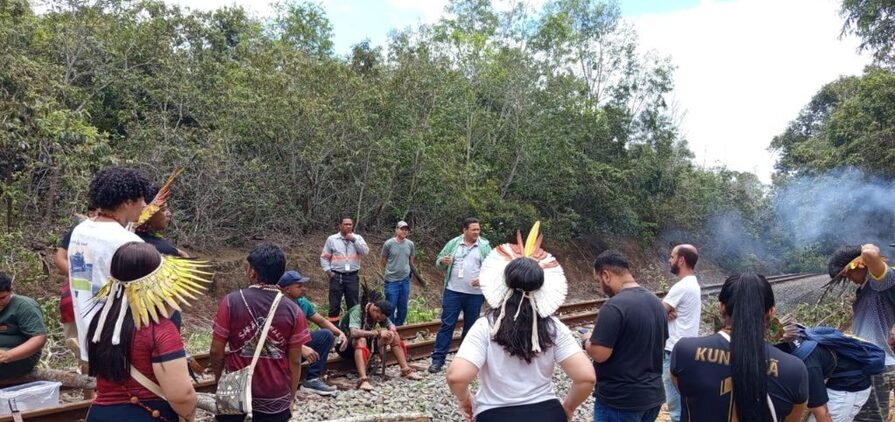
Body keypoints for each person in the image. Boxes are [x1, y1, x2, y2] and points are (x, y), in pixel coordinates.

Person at [447, 223, 595, 422]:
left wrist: (466, 400)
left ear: (503, 283)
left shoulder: (486, 325)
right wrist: (568, 407)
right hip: (548, 414)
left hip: (495, 414)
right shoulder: (553, 326)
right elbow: (586, 377)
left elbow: (457, 377)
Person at [85, 242, 205, 421]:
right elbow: (182, 396)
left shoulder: (102, 321)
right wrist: (189, 415)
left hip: (100, 415)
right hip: (146, 414)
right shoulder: (159, 330)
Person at [671, 273, 808, 422]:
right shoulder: (795, 370)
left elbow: (684, 391)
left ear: (721, 307)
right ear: (771, 312)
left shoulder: (685, 351)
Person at [210, 243, 311, 422]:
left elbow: (216, 352)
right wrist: (291, 397)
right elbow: (295, 361)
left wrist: (220, 383)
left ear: (252, 272)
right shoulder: (293, 311)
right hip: (276, 398)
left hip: (235, 394)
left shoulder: (231, 302)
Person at [68, 167, 148, 363]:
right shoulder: (128, 242)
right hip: (120, 341)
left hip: (90, 335)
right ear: (127, 202)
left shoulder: (80, 231)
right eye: (142, 199)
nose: (145, 205)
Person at [586, 250, 667, 422]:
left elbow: (600, 354)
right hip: (652, 396)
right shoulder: (656, 303)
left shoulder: (613, 306)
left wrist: (587, 340)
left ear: (606, 275)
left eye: (598, 280)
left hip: (620, 402)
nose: (600, 286)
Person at [827, 243, 895, 421]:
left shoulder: (881, 282)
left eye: (848, 273)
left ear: (858, 265)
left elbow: (870, 252)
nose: (849, 278)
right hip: (867, 362)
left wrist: (860, 253)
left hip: (876, 365)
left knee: (871, 418)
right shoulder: (865, 289)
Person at [429, 217, 492, 373]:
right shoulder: (453, 243)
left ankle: (465, 361)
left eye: (478, 229)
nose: (477, 232)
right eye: (473, 229)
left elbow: (493, 268)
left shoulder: (484, 246)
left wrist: (483, 278)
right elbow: (438, 261)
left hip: (475, 294)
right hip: (453, 291)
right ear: (464, 230)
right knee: (447, 325)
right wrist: (442, 262)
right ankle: (437, 360)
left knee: (470, 328)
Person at [775, 330, 875, 422]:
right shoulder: (790, 339)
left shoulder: (807, 364)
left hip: (850, 386)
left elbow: (823, 414)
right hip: (833, 374)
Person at [278, 269, 348, 396]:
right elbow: (274, 335)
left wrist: (340, 333)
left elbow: (321, 320)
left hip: (297, 348)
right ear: (287, 289)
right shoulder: (276, 306)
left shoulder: (302, 303)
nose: (303, 289)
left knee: (326, 335)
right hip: (280, 351)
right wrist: (300, 347)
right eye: (299, 286)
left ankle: (312, 380)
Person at [336, 287, 422, 391]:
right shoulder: (357, 311)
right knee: (361, 340)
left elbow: (391, 325)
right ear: (375, 310)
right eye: (378, 318)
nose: (379, 321)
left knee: (394, 337)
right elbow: (354, 332)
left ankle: (405, 370)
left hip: (365, 343)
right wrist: (377, 333)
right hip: (345, 345)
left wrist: (391, 331)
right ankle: (363, 380)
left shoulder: (378, 313)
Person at [661, 244, 701, 422]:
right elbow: (664, 311)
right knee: (682, 402)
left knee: (675, 407)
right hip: (685, 348)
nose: (670, 260)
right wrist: (666, 312)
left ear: (681, 260)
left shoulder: (682, 286)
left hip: (673, 351)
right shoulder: (693, 283)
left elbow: (655, 312)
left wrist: (664, 312)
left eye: (672, 256)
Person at [320, 217, 370, 323]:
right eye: (345, 224)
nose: (348, 226)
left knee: (353, 305)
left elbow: (365, 252)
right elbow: (324, 257)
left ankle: (352, 330)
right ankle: (334, 331)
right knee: (334, 305)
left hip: (352, 277)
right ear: (340, 226)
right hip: (336, 276)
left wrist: (354, 240)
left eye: (350, 224)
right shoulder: (332, 239)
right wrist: (329, 272)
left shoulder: (358, 238)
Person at [0, 272, 47, 380]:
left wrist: (9, 355)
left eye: (3, 298)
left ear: (10, 291)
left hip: (19, 356)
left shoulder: (24, 306)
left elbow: (39, 338)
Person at [380, 221, 415, 326]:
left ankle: (399, 327)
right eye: (402, 229)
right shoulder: (388, 244)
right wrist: (390, 271)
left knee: (403, 306)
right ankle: (390, 328)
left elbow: (411, 261)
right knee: (390, 306)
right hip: (391, 281)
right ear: (396, 230)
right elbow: (383, 261)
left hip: (404, 280)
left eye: (406, 230)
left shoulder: (410, 244)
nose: (404, 231)